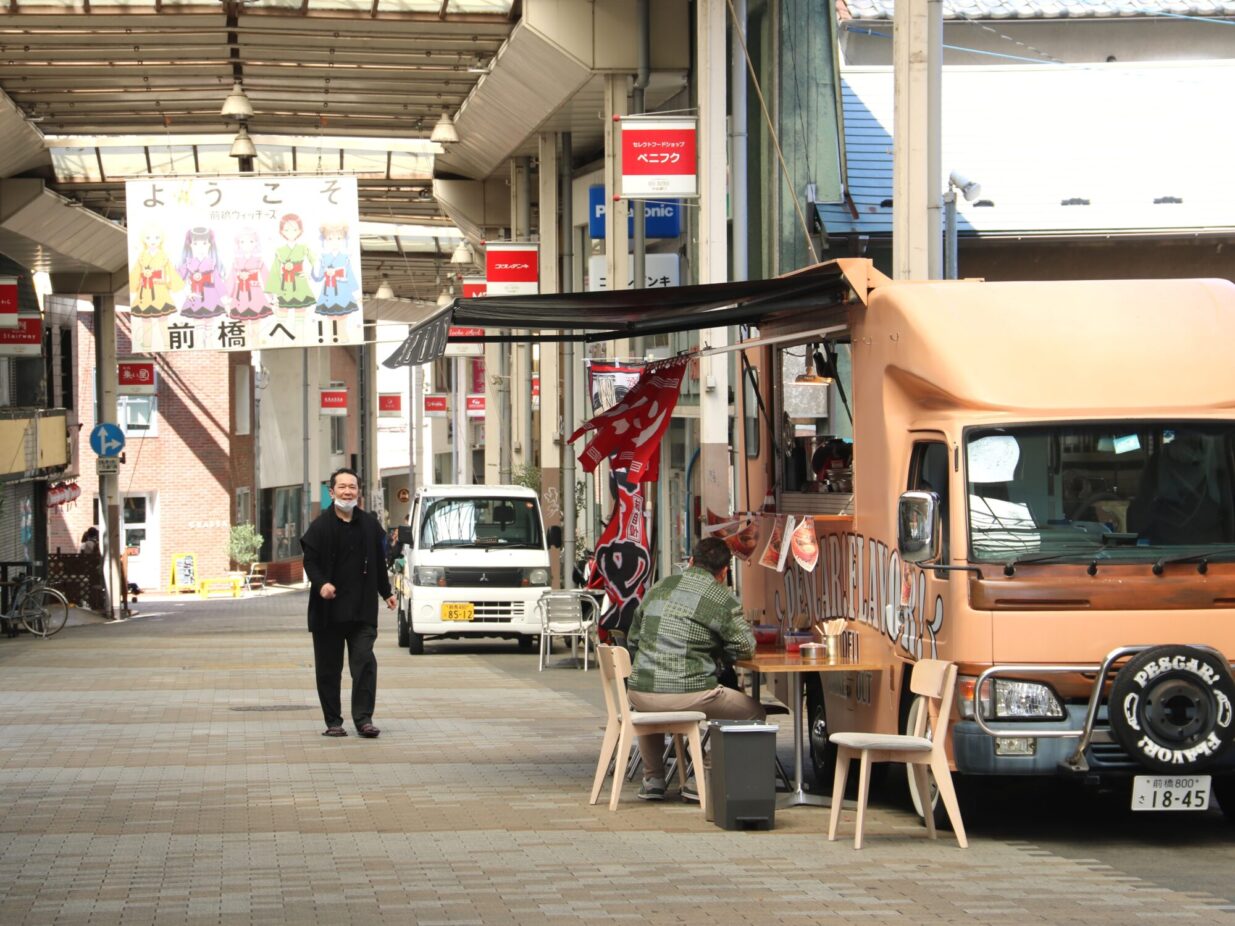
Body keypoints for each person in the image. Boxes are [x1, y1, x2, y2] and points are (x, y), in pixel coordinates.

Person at [626, 537, 764, 801]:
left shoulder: (659, 587)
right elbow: (746, 648)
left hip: (639, 694)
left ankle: (654, 779)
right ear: (724, 572)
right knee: (753, 713)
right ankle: (701, 774)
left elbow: (634, 639)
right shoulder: (722, 598)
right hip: (688, 696)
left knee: (653, 694)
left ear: (690, 561)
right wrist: (720, 652)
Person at [301, 467, 396, 739]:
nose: (347, 491)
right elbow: (310, 561)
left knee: (364, 662)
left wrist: (386, 592)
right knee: (329, 670)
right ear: (332, 492)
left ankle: (364, 719)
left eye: (352, 487)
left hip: (362, 611)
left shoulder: (369, 524)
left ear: (359, 491)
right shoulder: (320, 526)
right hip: (328, 612)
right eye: (341, 487)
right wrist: (322, 585)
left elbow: (379, 562)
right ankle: (333, 721)